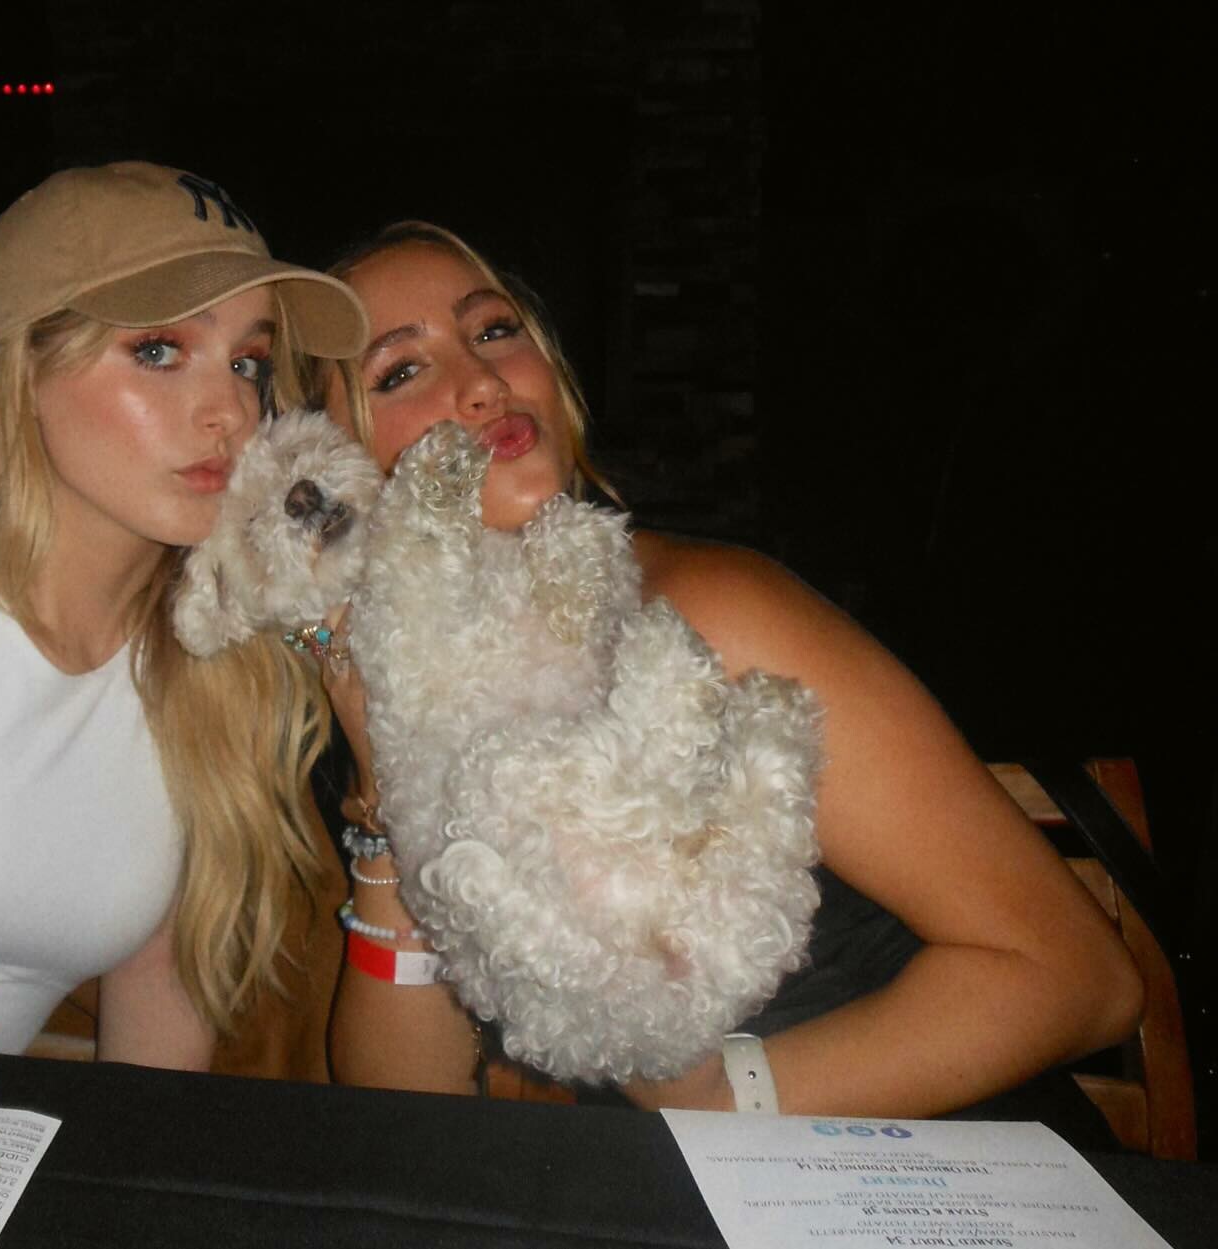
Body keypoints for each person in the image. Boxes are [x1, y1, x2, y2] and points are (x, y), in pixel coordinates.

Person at [314, 220, 1143, 1133]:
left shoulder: (713, 609)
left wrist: (721, 1101)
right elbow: (409, 1117)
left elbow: (1079, 977)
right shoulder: (432, 701)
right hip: (700, 1185)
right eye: (401, 371)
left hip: (944, 1169)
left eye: (494, 329)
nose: (482, 381)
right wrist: (387, 796)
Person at [0, 160, 367, 1106]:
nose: (228, 411)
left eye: (248, 363)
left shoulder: (215, 682)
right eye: (160, 350)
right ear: (23, 372)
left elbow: (159, 1008)